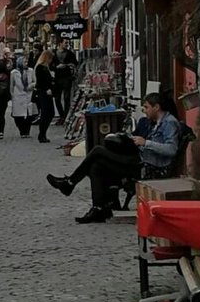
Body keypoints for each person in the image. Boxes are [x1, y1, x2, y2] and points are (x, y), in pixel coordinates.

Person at [45, 92, 187, 222]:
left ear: (156, 107)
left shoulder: (169, 123)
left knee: (98, 151)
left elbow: (171, 149)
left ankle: (70, 183)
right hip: (139, 159)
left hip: (148, 167)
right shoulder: (155, 122)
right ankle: (98, 208)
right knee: (97, 165)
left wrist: (146, 143)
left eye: (147, 107)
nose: (144, 110)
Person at [9, 55, 34, 138]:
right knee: (18, 115)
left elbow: (35, 81)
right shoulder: (14, 72)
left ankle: (27, 132)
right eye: (24, 62)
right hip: (18, 96)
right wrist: (12, 96)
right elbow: (11, 85)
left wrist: (32, 85)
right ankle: (22, 131)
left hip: (28, 95)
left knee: (29, 114)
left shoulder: (31, 71)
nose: (26, 63)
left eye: (27, 62)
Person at [33, 53, 56, 143]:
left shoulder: (46, 68)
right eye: (50, 59)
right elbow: (40, 81)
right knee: (46, 113)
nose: (51, 61)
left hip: (47, 93)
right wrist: (47, 88)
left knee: (50, 113)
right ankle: (42, 134)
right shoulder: (40, 68)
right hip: (43, 92)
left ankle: (43, 134)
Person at [53, 48, 77, 123]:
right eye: (65, 43)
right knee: (57, 98)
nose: (66, 44)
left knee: (67, 98)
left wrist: (69, 65)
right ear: (60, 44)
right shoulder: (54, 53)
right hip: (57, 78)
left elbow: (75, 63)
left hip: (67, 77)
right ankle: (61, 115)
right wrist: (56, 67)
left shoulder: (70, 53)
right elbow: (50, 65)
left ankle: (65, 116)